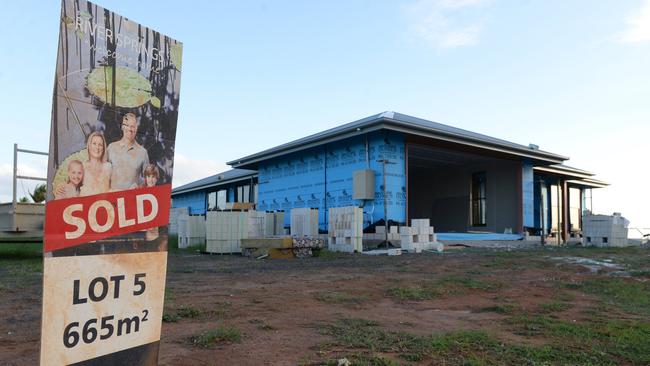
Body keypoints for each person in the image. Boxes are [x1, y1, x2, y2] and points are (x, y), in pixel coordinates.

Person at [107, 113, 149, 191]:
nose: (130, 129)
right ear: (122, 127)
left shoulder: (143, 153)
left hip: (132, 200)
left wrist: (139, 186)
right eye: (127, 125)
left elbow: (148, 181)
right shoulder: (111, 148)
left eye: (132, 126)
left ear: (136, 128)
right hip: (111, 200)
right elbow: (103, 175)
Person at [80, 131, 112, 196]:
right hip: (87, 204)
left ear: (103, 148)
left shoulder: (108, 167)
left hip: (105, 204)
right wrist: (61, 188)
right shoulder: (82, 167)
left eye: (100, 145)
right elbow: (72, 186)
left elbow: (117, 186)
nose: (97, 148)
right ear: (89, 146)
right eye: (94, 143)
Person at [143, 164, 160, 241]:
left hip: (153, 235)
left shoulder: (159, 194)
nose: (151, 179)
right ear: (145, 178)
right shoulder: (141, 192)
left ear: (156, 178)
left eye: (153, 177)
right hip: (141, 233)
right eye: (148, 176)